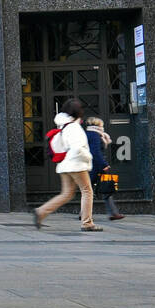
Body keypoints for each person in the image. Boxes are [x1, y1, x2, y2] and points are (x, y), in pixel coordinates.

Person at [34, 98, 102, 232]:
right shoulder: (74, 127)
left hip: (65, 165)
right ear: (78, 112)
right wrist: (88, 156)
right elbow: (77, 148)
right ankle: (87, 223)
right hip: (76, 164)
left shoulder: (63, 125)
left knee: (67, 194)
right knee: (87, 191)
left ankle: (40, 212)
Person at [85, 116, 125, 221]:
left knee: (91, 190)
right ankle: (112, 213)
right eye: (101, 125)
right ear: (97, 125)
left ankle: (112, 213)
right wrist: (104, 164)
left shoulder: (89, 134)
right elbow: (96, 152)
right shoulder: (95, 135)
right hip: (96, 166)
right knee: (99, 190)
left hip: (92, 165)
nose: (103, 126)